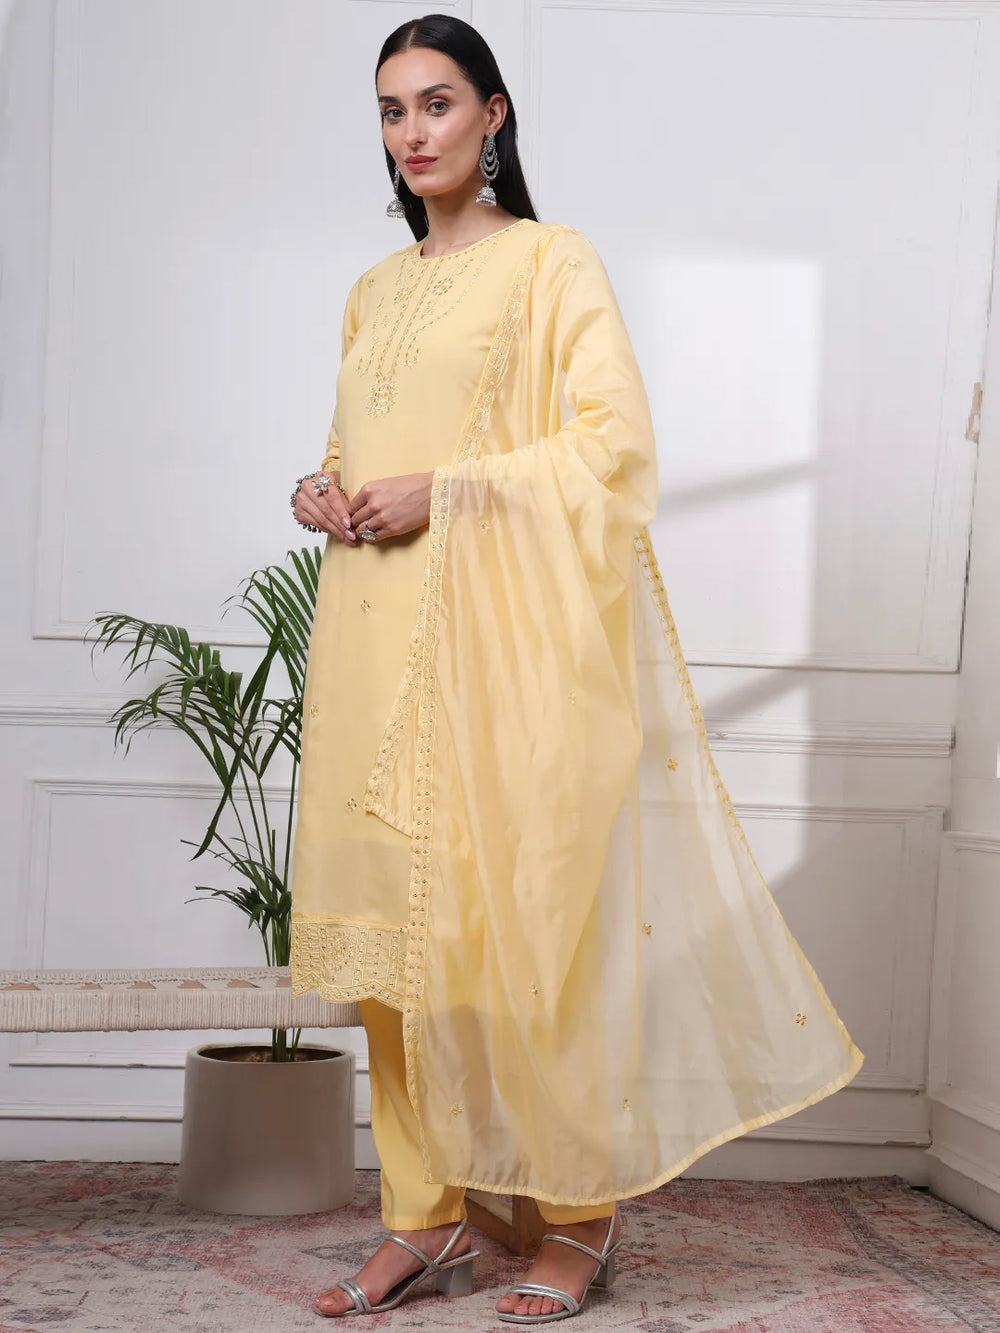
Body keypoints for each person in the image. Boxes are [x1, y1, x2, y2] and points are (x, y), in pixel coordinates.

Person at [288, 12, 863, 1325]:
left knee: (523, 940)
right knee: (395, 958)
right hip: (373, 641)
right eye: (391, 110)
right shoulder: (374, 290)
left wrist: (449, 489)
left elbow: (614, 448)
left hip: (505, 662)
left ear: (494, 113)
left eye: (438, 103)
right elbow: (350, 441)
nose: (413, 132)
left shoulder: (553, 263)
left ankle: (578, 1214)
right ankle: (423, 1216)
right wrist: (318, 490)